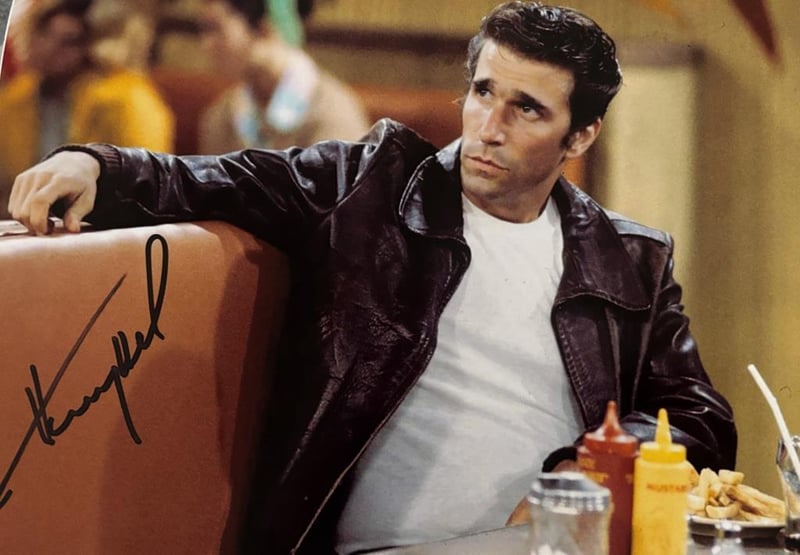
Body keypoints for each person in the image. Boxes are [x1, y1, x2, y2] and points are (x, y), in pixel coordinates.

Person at [7, 2, 737, 553]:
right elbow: (223, 179)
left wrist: (585, 470)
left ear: (580, 135)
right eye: (483, 92)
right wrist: (97, 165)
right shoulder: (371, 187)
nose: (489, 126)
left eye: (527, 109)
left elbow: (699, 416)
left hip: (544, 542)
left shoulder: (630, 258)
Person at [0, 0, 174, 219]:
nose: (49, 48)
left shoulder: (125, 99)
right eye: (44, 33)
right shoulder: (14, 97)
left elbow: (146, 183)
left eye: (69, 41)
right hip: (21, 220)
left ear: (92, 46)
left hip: (96, 224)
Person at [197, 0, 371, 154]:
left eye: (215, 29)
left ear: (264, 28)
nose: (206, 45)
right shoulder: (221, 118)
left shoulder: (332, 114)